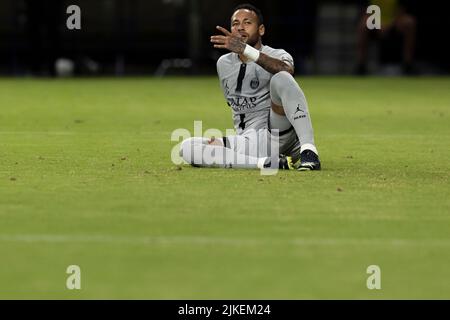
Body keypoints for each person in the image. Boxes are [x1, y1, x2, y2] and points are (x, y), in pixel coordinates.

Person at [180, 4, 320, 171]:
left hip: (277, 134)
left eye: (247, 23)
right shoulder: (223, 64)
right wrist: (224, 144)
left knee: (281, 77)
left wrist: (246, 50)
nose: (240, 27)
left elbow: (287, 71)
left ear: (261, 30)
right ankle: (267, 163)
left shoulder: (277, 55)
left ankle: (309, 151)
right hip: (248, 143)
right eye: (235, 23)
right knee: (187, 147)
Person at [356, 0, 417, 75]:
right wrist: (379, 24)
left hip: (395, 23)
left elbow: (401, 10)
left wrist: (391, 24)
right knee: (363, 26)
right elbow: (367, 11)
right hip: (375, 22)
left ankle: (407, 64)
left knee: (409, 22)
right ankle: (361, 65)